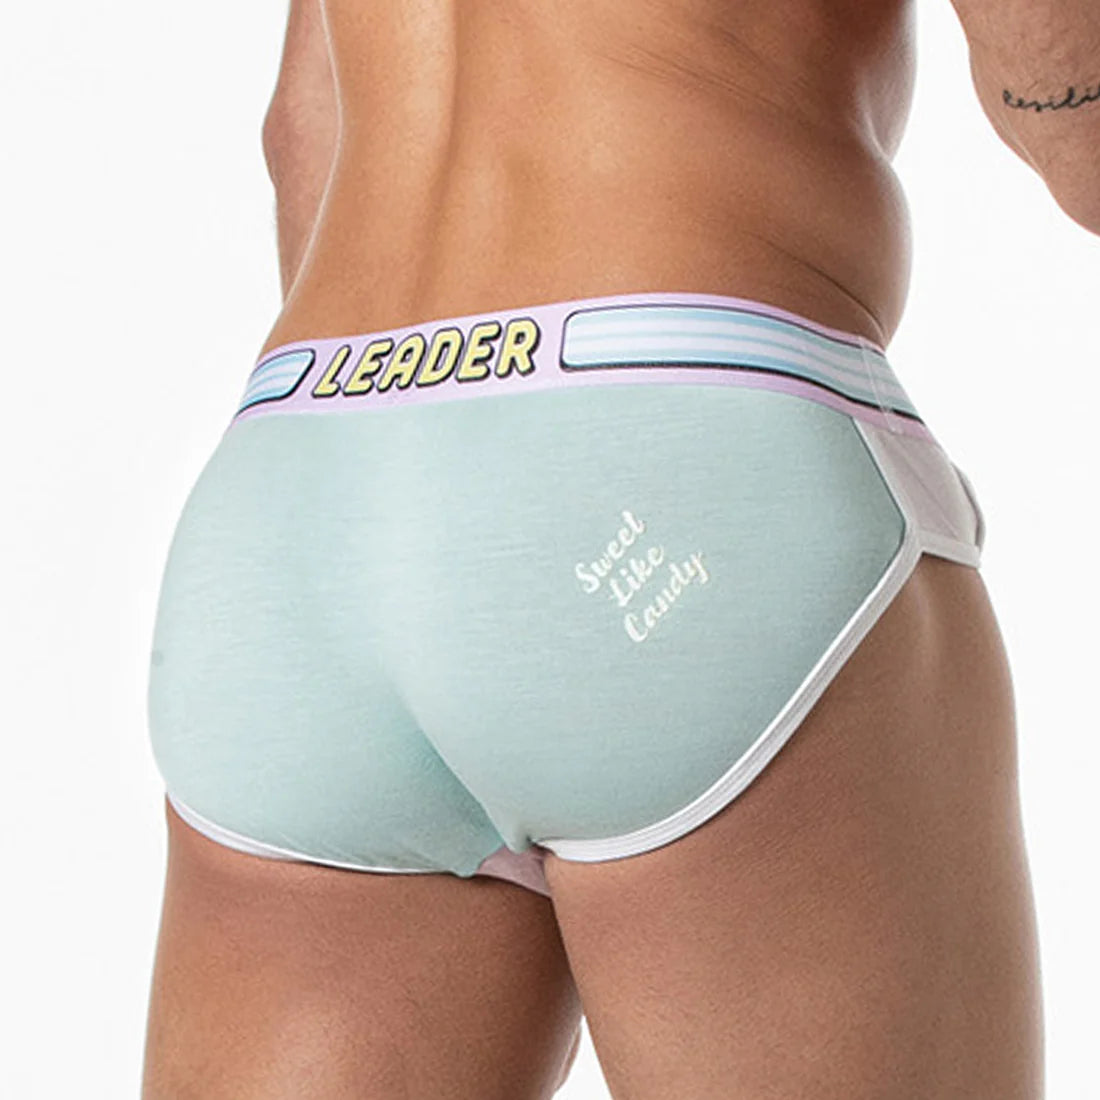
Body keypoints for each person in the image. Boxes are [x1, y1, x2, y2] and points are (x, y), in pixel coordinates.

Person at [141, 1, 1096, 1096]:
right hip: (673, 446)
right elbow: (1065, 97)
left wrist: (433, 511)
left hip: (306, 478)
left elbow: (302, 125)